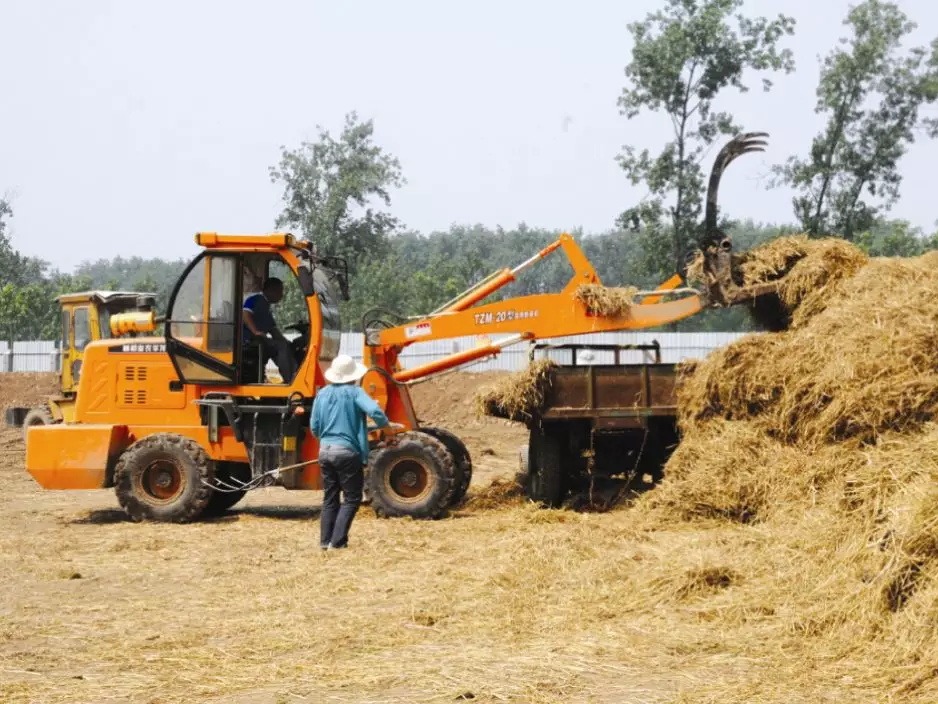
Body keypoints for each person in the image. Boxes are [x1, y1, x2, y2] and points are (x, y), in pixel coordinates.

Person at [310, 354, 398, 550]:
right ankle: (338, 542)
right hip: (347, 453)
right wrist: (388, 431)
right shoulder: (354, 392)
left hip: (325, 450)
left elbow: (314, 427)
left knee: (330, 497)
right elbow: (375, 412)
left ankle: (325, 542)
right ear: (353, 376)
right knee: (352, 498)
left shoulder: (322, 394)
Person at [242, 277, 296, 383]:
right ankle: (291, 379)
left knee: (284, 345)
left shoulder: (266, 307)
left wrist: (288, 342)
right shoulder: (256, 299)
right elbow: (245, 314)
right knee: (281, 347)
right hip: (249, 341)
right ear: (271, 290)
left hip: (260, 341)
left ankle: (293, 373)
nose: (281, 295)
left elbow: (273, 330)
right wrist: (255, 331)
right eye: (280, 291)